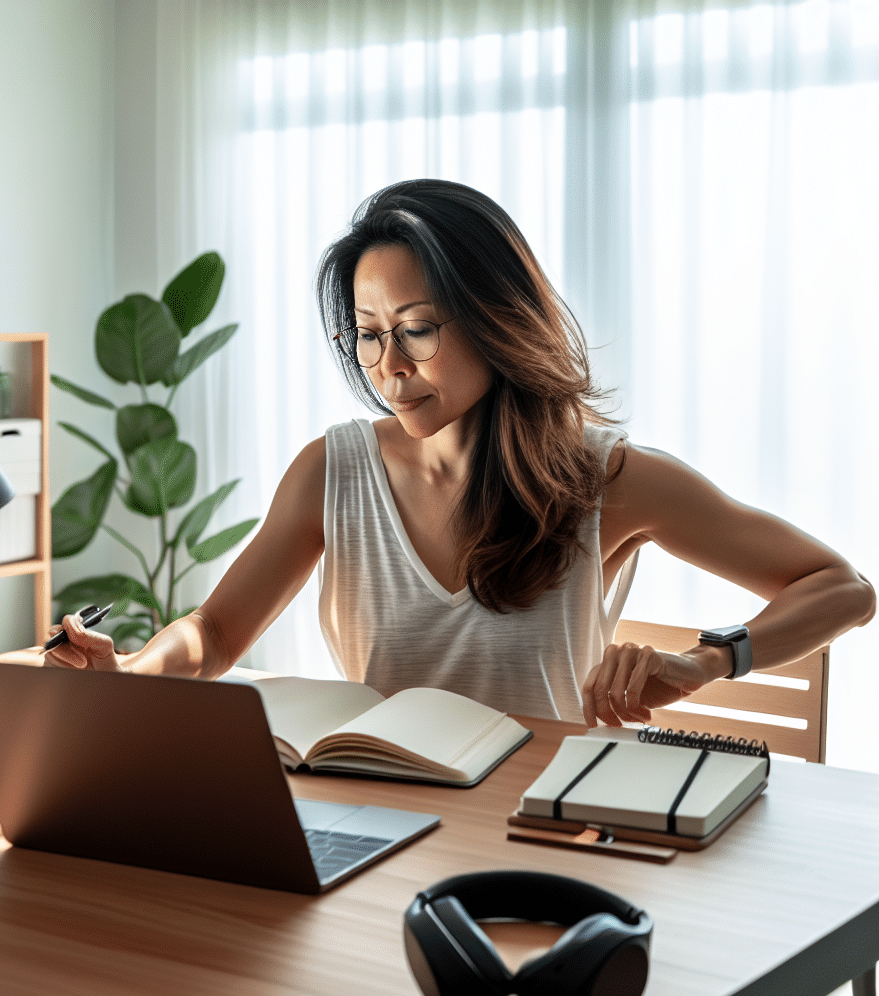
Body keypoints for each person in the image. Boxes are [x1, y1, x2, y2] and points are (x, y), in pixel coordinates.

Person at [47, 179, 874, 728]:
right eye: (368, 338)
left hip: (545, 828)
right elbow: (217, 630)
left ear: (495, 317)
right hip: (379, 819)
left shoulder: (606, 479)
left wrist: (702, 660)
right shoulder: (331, 472)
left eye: (415, 330)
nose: (389, 369)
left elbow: (844, 588)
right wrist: (135, 673)